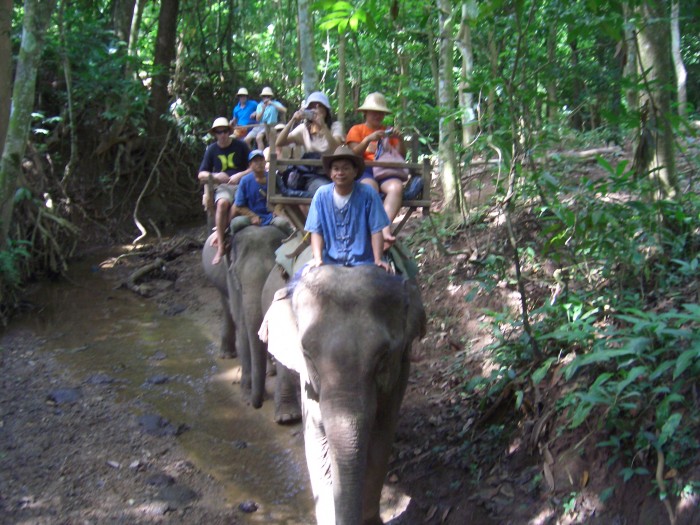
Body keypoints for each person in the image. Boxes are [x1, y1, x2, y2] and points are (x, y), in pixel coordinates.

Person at [304, 145, 391, 272]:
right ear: (330, 173)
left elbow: (376, 229)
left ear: (355, 172)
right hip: (330, 260)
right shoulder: (321, 195)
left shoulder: (368, 194)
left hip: (364, 261)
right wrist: (318, 258)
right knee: (300, 281)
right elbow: (316, 230)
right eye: (336, 169)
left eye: (345, 168)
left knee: (393, 285)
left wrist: (377, 259)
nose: (340, 173)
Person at [346, 92, 406, 248]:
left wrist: (399, 139)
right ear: (365, 113)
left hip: (386, 169)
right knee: (368, 188)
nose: (377, 115)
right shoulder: (356, 130)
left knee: (396, 187)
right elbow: (353, 154)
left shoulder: (388, 130)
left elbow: (399, 156)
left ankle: (384, 228)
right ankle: (370, 229)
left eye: (381, 112)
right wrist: (368, 139)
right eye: (374, 111)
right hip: (364, 169)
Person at [198, 117, 251, 265]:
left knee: (239, 204)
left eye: (225, 131)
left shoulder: (241, 146)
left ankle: (220, 229)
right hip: (223, 187)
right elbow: (201, 174)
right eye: (219, 132)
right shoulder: (212, 150)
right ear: (215, 134)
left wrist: (239, 175)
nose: (222, 135)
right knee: (222, 204)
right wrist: (215, 175)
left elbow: (254, 166)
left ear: (229, 131)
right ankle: (221, 245)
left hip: (242, 184)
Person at [276, 91, 344, 195]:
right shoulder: (304, 129)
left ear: (326, 110)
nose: (316, 109)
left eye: (320, 106)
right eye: (312, 107)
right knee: (325, 191)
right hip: (312, 175)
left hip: (333, 173)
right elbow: (279, 142)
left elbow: (336, 148)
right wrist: (293, 120)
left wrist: (323, 126)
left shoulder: (335, 126)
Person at [231, 149, 293, 235]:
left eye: (261, 160)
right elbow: (239, 205)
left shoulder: (273, 177)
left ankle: (295, 240)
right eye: (255, 161)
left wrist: (277, 208)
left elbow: (282, 196)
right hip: (252, 215)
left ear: (265, 162)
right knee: (236, 223)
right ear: (250, 165)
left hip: (270, 216)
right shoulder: (245, 181)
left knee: (283, 223)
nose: (259, 163)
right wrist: (252, 216)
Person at [244, 86, 287, 151]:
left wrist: (272, 104)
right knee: (246, 139)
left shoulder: (275, 103)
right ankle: (251, 155)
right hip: (260, 126)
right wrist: (263, 109)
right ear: (262, 97)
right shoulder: (260, 105)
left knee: (259, 137)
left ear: (271, 97)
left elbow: (284, 110)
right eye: (264, 96)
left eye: (268, 96)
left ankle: (261, 156)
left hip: (271, 126)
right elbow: (258, 119)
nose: (266, 98)